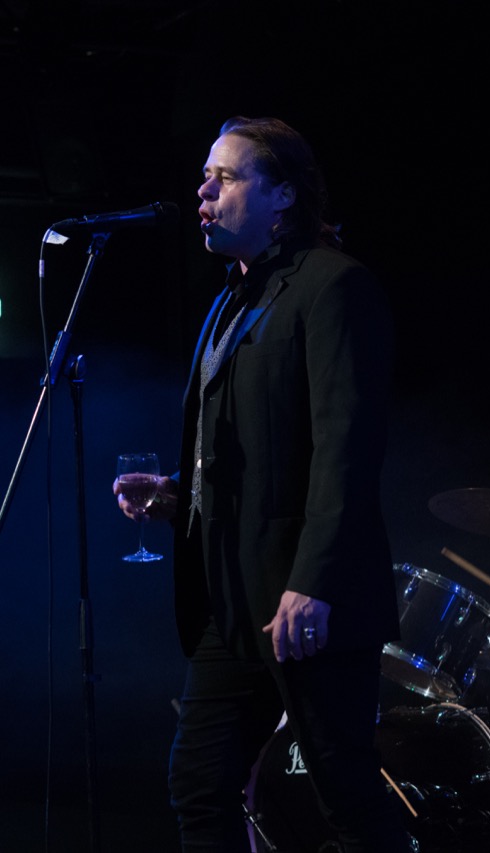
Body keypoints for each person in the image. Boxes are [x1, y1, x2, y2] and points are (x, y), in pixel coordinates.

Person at [113, 116, 410, 851]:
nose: (203, 192)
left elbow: (346, 449)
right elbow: (256, 452)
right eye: (204, 178)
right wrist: (180, 493)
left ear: (282, 195)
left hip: (307, 599)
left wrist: (314, 582)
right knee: (199, 783)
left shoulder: (333, 285)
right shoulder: (232, 300)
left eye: (225, 177)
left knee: (346, 792)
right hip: (231, 600)